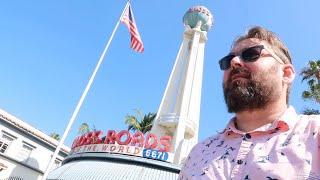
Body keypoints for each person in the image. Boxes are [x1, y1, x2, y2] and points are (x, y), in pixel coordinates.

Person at [178, 26, 320, 179]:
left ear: (285, 74)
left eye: (251, 54)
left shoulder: (315, 133)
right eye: (227, 61)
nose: (234, 61)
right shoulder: (198, 152)